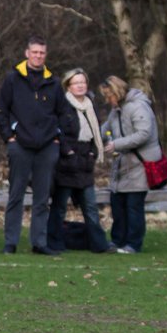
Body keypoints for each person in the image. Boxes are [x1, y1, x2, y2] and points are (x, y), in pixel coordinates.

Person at [0, 35, 76, 255]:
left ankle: (39, 242)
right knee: (16, 195)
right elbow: (0, 110)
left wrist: (58, 138)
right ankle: (10, 242)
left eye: (42, 53)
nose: (38, 56)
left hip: (47, 147)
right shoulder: (13, 78)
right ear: (27, 53)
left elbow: (64, 113)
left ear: (45, 55)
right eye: (35, 52)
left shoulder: (54, 83)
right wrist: (8, 136)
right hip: (19, 145)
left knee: (42, 198)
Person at [46, 69, 114, 254]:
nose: (80, 86)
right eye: (76, 83)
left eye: (83, 82)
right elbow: (57, 132)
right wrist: (68, 152)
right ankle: (54, 243)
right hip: (66, 164)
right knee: (59, 207)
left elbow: (95, 135)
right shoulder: (62, 105)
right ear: (69, 85)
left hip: (85, 164)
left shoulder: (90, 106)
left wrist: (93, 153)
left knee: (90, 206)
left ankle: (99, 245)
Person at [99, 75, 160, 254]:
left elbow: (143, 134)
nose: (107, 100)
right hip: (123, 163)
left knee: (133, 205)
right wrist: (95, 137)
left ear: (116, 92)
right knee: (118, 203)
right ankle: (117, 240)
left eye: (108, 95)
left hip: (140, 163)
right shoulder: (116, 109)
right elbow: (105, 128)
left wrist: (116, 144)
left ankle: (133, 244)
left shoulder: (138, 107)